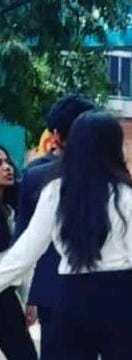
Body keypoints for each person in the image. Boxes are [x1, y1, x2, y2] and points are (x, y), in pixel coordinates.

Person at [0, 110, 132, 359]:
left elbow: (24, 253)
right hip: (121, 300)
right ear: (115, 146)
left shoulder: (55, 191)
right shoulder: (128, 195)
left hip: (71, 298)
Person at [14, 94, 96, 359]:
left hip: (52, 292)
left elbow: (23, 243)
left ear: (55, 135)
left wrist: (26, 295)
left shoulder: (36, 175)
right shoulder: (109, 175)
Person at [0, 146, 38, 360]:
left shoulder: (12, 210)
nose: (7, 168)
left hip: (7, 294)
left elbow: (21, 260)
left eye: (7, 162)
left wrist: (28, 297)